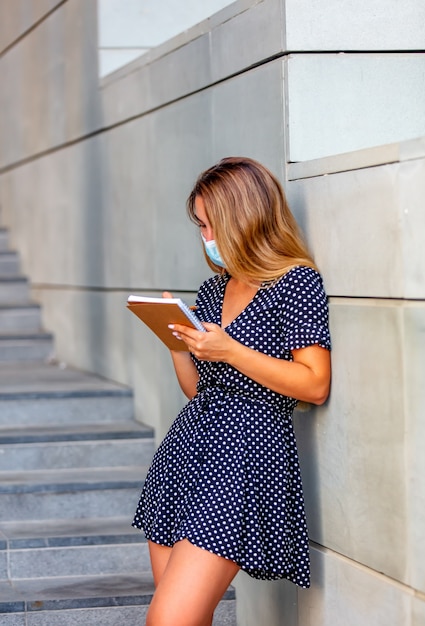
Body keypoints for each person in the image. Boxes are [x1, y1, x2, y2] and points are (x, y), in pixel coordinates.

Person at [132, 156, 331, 626]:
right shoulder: (213, 288)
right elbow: (197, 389)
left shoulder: (295, 282)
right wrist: (176, 342)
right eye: (200, 226)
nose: (206, 238)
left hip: (245, 455)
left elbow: (315, 383)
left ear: (245, 218)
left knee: (169, 619)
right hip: (187, 451)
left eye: (212, 225)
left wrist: (230, 350)